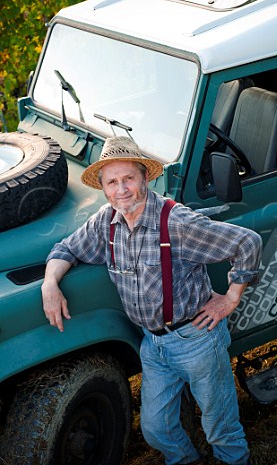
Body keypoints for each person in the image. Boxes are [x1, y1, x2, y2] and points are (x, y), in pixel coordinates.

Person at [42, 135, 262, 465]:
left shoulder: (176, 223)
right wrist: (49, 284)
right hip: (153, 345)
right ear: (103, 186)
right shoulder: (107, 221)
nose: (121, 189)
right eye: (112, 181)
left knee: (221, 429)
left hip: (196, 340)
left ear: (145, 177)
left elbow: (248, 243)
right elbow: (67, 248)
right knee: (156, 429)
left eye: (128, 178)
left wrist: (230, 299)